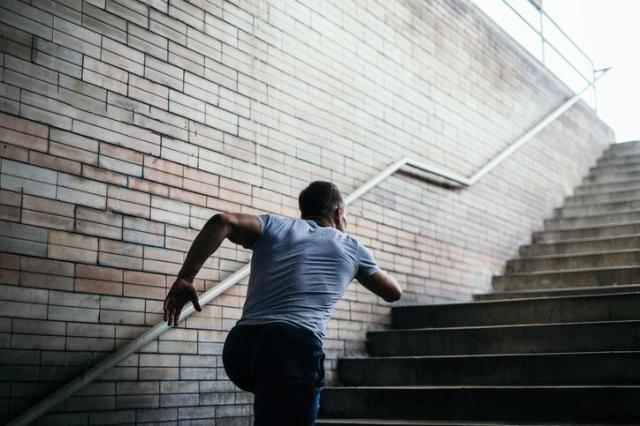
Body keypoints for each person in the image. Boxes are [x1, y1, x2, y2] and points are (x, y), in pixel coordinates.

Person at [163, 180, 403, 425]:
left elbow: (221, 222)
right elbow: (394, 293)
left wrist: (186, 277)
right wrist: (356, 259)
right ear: (339, 211)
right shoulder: (351, 247)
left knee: (271, 400)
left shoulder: (274, 225)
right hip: (291, 349)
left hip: (241, 347)